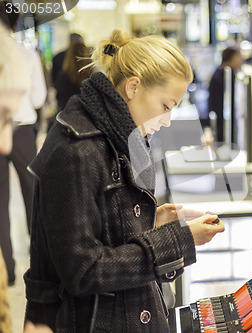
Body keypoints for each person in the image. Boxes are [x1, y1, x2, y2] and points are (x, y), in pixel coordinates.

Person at [24, 28, 225, 332]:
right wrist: (178, 240)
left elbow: (105, 231)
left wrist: (151, 222)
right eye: (166, 106)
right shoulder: (76, 149)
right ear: (133, 87)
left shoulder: (123, 136)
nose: (168, 120)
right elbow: (83, 270)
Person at [0, 21, 53, 333]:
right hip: (26, 129)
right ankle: (40, 257)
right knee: (34, 193)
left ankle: (9, 266)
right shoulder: (23, 53)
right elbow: (36, 98)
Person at [208, 46, 244, 143]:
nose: (240, 61)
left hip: (223, 119)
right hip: (224, 122)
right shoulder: (225, 74)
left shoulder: (220, 72)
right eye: (238, 57)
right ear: (231, 57)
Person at [54, 41, 92, 111]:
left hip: (68, 117)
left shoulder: (63, 77)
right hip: (88, 118)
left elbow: (59, 100)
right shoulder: (92, 78)